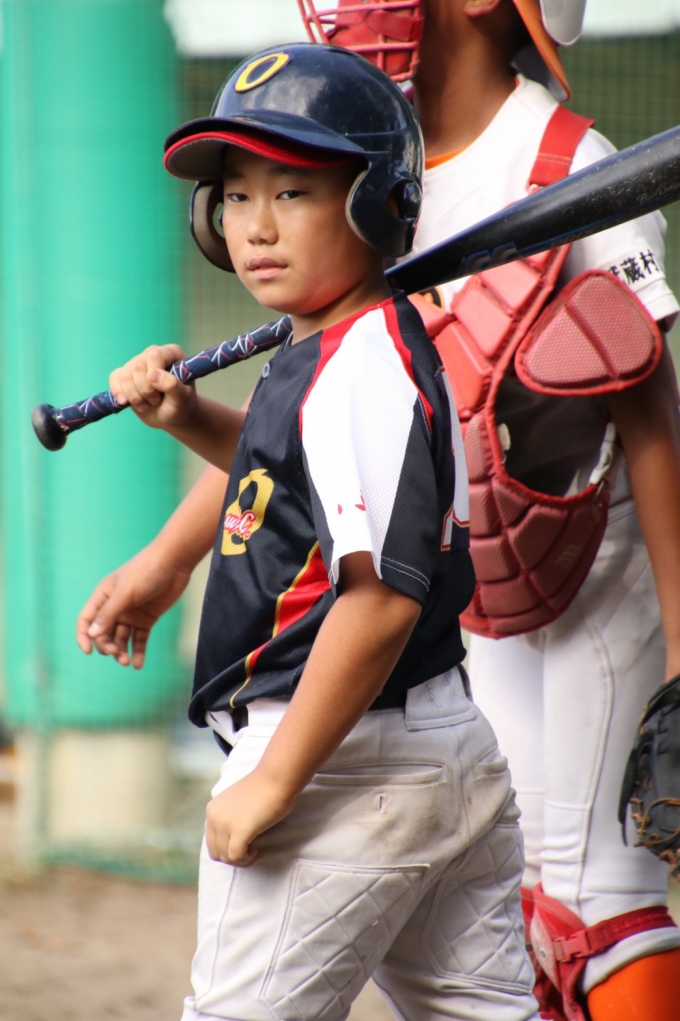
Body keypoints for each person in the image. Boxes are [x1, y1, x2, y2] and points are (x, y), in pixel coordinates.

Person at [77, 6, 680, 1020]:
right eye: (235, 197)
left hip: (403, 693)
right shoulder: (344, 321)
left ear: (369, 206)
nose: (255, 224)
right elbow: (304, 459)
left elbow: (377, 590)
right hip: (450, 678)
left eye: (290, 193)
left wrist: (276, 780)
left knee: (589, 899)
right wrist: (181, 475)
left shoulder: (383, 329)